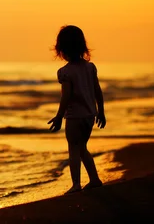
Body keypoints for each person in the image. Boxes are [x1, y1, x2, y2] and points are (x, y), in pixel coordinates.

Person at [48, 25, 106, 194]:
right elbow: (97, 90)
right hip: (89, 115)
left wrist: (59, 116)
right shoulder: (90, 67)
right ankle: (94, 179)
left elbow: (66, 96)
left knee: (73, 148)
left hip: (74, 116)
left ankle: (76, 184)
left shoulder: (65, 72)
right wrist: (101, 111)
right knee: (82, 147)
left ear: (61, 49)